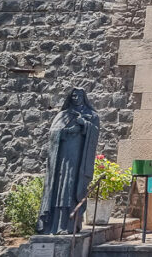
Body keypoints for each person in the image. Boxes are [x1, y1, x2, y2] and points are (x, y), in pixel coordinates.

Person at [37, 88, 100, 235]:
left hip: (77, 161)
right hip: (61, 159)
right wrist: (66, 132)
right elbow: (53, 133)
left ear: (84, 97)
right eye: (73, 95)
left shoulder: (91, 115)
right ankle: (54, 225)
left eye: (78, 95)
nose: (76, 97)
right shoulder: (63, 115)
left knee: (71, 188)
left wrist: (84, 124)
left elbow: (94, 133)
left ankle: (70, 225)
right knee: (59, 190)